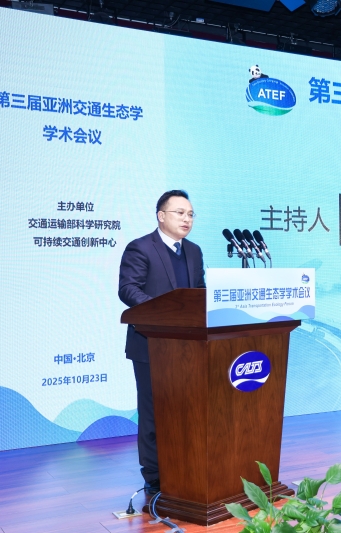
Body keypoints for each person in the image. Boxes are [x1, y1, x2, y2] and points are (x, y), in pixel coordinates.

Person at [118, 190, 205, 494]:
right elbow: (128, 289)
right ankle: (155, 476)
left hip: (189, 347)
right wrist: (164, 313)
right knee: (154, 412)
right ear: (161, 216)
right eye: (180, 213)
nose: (186, 219)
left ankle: (185, 467)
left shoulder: (194, 251)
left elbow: (200, 293)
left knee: (186, 410)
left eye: (190, 214)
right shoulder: (140, 248)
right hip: (150, 344)